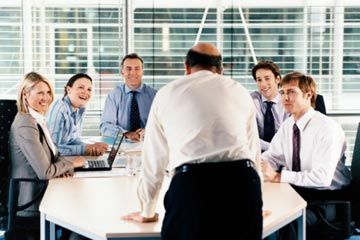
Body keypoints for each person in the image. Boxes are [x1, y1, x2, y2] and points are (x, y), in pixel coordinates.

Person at [122, 43, 263, 240]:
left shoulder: (167, 93)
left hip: (192, 186)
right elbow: (253, 149)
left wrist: (147, 210)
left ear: (186, 67)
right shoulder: (239, 91)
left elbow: (154, 157)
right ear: (220, 70)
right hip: (243, 184)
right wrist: (257, 201)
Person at [261, 72, 351, 237]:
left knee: (284, 223)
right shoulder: (288, 125)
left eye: (292, 92)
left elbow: (322, 178)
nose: (285, 98)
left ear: (308, 95)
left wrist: (277, 177)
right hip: (299, 192)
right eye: (282, 92)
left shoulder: (327, 128)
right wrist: (258, 166)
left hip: (326, 200)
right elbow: (273, 156)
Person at [9, 72, 85, 238]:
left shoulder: (37, 118)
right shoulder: (25, 124)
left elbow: (55, 156)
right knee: (82, 214)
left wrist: (63, 168)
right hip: (31, 203)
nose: (46, 98)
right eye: (40, 93)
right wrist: (72, 164)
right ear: (25, 94)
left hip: (44, 190)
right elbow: (45, 172)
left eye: (48, 92)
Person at [47, 73, 108, 156]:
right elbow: (52, 150)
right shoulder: (60, 108)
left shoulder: (80, 109)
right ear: (69, 89)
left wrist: (91, 147)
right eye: (81, 87)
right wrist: (84, 149)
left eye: (89, 89)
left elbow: (72, 140)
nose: (85, 92)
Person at [100, 53, 157, 142]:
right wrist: (126, 134)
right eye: (128, 69)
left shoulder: (154, 95)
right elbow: (105, 126)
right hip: (122, 145)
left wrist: (149, 131)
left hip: (149, 143)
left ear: (143, 71)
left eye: (137, 69)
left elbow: (163, 123)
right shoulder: (114, 95)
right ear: (122, 72)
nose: (133, 73)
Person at [251, 60, 289, 152]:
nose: (263, 85)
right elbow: (250, 137)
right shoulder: (252, 101)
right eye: (259, 80)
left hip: (284, 155)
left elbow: (289, 138)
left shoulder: (288, 101)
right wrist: (273, 150)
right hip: (258, 153)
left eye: (267, 78)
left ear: (277, 79)